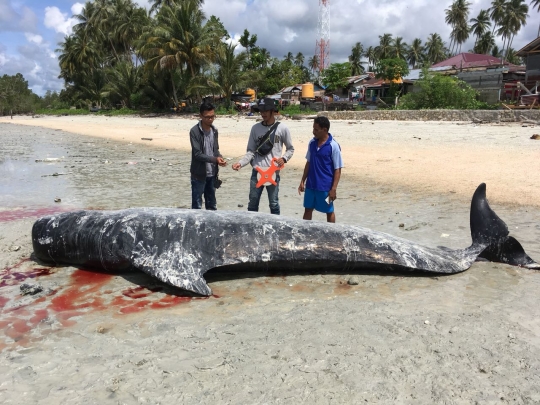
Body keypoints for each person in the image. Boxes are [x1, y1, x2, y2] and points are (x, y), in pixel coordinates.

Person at [232, 97, 294, 215]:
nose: (263, 113)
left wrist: (284, 159)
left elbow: (290, 149)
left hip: (273, 172)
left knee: (274, 204)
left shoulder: (282, 128)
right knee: (252, 204)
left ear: (272, 111)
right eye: (261, 111)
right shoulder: (255, 128)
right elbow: (250, 152)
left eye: (266, 111)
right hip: (257, 173)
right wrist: (240, 163)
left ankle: (276, 229)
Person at [298, 116, 343, 223]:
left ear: (325, 130)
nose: (314, 132)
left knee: (329, 211)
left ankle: (332, 234)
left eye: (316, 129)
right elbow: (308, 162)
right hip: (311, 185)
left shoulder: (334, 146)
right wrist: (302, 181)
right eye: (313, 129)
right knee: (308, 209)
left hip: (325, 187)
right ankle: (305, 233)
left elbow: (338, 169)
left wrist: (333, 189)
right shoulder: (312, 143)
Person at [189, 102, 227, 210]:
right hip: (199, 175)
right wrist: (215, 159)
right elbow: (197, 154)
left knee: (212, 206)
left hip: (212, 174)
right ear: (201, 116)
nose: (210, 119)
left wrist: (220, 158)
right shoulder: (194, 131)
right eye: (207, 117)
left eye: (212, 117)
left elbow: (216, 150)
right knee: (197, 207)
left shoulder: (214, 130)